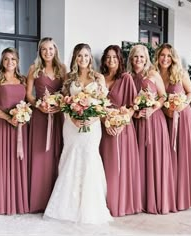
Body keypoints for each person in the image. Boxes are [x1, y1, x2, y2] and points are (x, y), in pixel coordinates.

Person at [44, 43, 112, 224]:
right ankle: (67, 207)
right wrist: (72, 118)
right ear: (75, 58)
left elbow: (103, 105)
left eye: (86, 56)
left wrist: (92, 119)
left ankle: (90, 207)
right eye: (79, 56)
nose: (83, 59)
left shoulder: (98, 78)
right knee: (70, 158)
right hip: (71, 125)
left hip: (92, 125)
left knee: (90, 158)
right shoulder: (68, 78)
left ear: (90, 58)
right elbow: (64, 102)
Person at [127, 44, 177, 214]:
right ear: (131, 59)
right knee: (139, 162)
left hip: (155, 123)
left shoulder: (153, 74)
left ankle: (158, 201)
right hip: (137, 125)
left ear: (146, 58)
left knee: (155, 160)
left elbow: (163, 97)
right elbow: (127, 103)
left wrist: (153, 108)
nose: (138, 60)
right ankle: (140, 202)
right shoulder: (128, 77)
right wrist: (134, 114)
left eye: (141, 56)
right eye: (135, 56)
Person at [154, 43, 191, 210]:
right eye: (162, 55)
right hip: (164, 119)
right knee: (169, 158)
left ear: (173, 58)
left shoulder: (180, 73)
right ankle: (170, 195)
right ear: (158, 57)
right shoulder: (154, 74)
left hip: (182, 118)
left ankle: (184, 198)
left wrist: (183, 104)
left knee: (181, 155)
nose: (165, 58)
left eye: (168, 55)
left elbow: (190, 92)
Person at [99, 45, 142, 216]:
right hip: (104, 128)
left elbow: (133, 106)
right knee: (105, 167)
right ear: (104, 59)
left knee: (119, 167)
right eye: (108, 57)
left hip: (122, 129)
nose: (111, 61)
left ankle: (121, 204)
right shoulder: (100, 78)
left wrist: (121, 123)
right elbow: (97, 105)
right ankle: (105, 204)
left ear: (120, 60)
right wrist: (106, 122)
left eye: (114, 58)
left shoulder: (126, 78)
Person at [0, 47, 29, 214]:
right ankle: (2, 203)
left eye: (13, 59)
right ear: (2, 61)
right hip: (2, 126)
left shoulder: (23, 80)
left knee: (17, 162)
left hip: (19, 128)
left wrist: (23, 115)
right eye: (6, 59)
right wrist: (7, 117)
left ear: (17, 61)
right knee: (2, 163)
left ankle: (17, 202)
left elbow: (27, 103)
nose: (9, 62)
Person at [26, 37, 66, 213]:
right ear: (39, 52)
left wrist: (58, 105)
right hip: (40, 117)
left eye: (50, 49)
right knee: (39, 155)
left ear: (55, 50)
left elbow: (66, 92)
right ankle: (37, 200)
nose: (47, 52)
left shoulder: (62, 69)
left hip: (57, 116)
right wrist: (39, 106)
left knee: (57, 155)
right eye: (44, 49)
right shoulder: (34, 69)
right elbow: (28, 94)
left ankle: (55, 201)